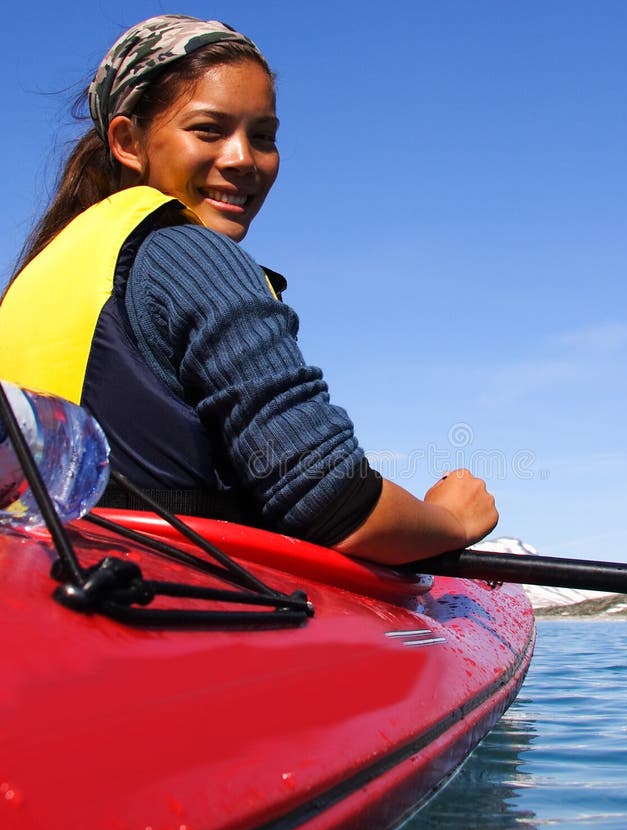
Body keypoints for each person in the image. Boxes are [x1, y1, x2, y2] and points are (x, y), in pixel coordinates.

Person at [0, 14, 497, 565]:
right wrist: (451, 518)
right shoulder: (192, 255)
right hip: (169, 595)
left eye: (263, 137)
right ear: (126, 140)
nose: (243, 158)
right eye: (209, 130)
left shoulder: (41, 271)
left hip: (52, 577)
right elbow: (335, 506)